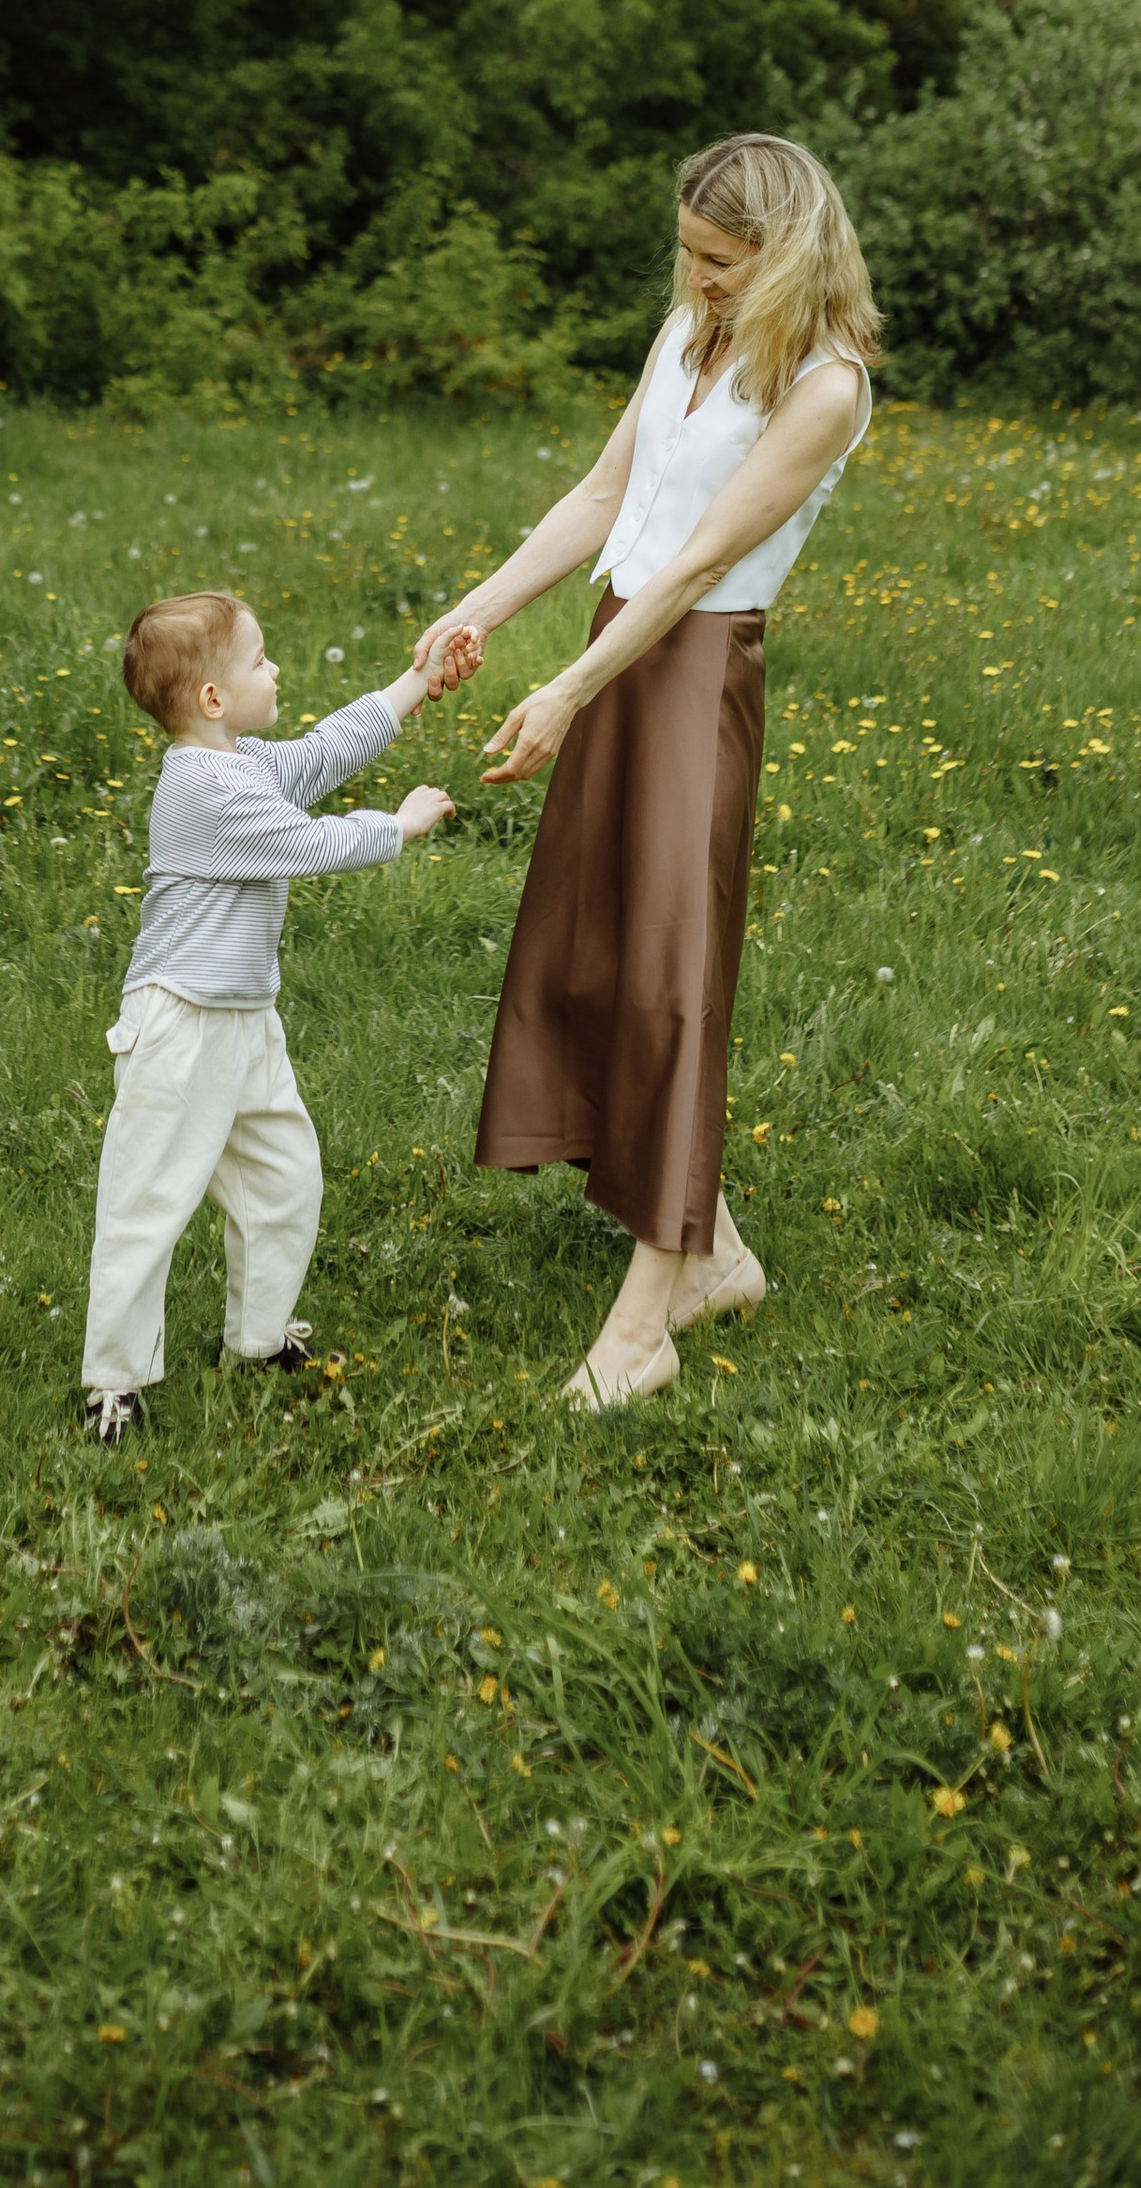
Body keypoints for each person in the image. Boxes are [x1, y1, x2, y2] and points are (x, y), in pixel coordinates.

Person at [417, 134, 878, 1410]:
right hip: (621, 642)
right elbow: (604, 499)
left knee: (674, 973)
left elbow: (691, 569)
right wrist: (485, 609)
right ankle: (714, 1249)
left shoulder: (825, 384)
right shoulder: (684, 334)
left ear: (786, 253)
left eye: (722, 263)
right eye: (685, 254)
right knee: (605, 948)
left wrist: (572, 689)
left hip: (688, 669)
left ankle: (644, 1321)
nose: (696, 280)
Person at [80, 592, 459, 1443]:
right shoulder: (202, 790)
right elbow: (311, 842)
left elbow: (326, 752)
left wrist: (415, 682)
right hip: (179, 1024)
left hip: (247, 1017)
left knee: (282, 1178)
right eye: (259, 660)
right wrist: (395, 827)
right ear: (213, 699)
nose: (275, 669)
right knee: (149, 1201)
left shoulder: (242, 760)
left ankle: (256, 1338)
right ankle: (114, 1381)